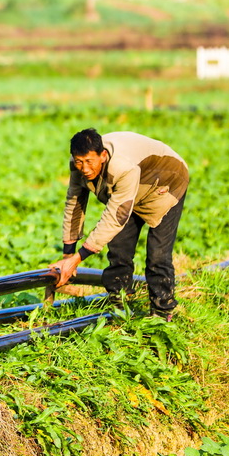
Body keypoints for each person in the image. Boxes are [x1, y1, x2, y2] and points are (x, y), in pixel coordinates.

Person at [50, 129, 189, 320]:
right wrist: (68, 253)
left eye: (90, 162)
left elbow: (116, 216)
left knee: (158, 254)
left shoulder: (123, 167)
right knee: (118, 248)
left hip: (166, 180)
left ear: (103, 155)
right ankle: (119, 307)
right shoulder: (78, 165)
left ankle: (161, 314)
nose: (85, 168)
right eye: (80, 161)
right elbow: (74, 202)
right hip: (135, 186)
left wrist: (77, 259)